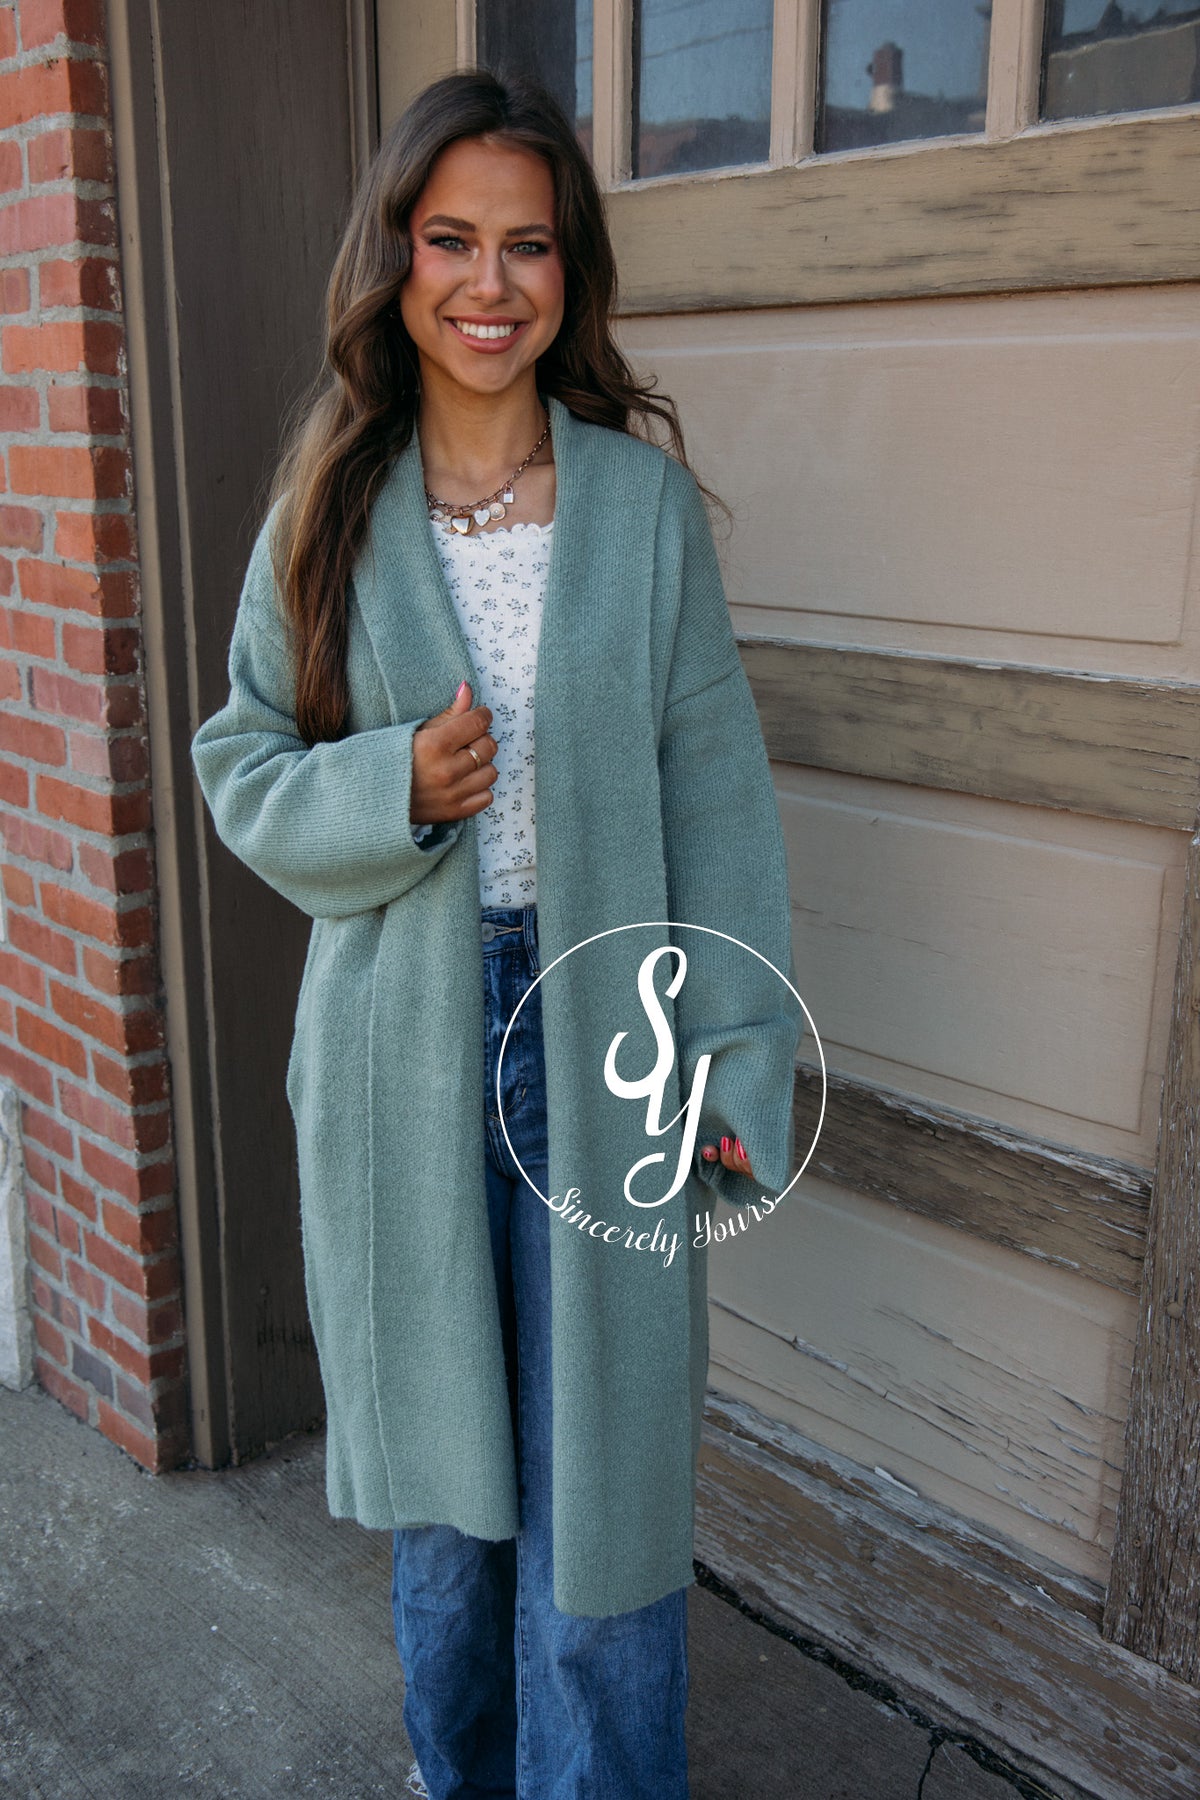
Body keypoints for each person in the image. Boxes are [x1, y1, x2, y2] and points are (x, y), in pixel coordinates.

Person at [191, 67, 802, 1800]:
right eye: (449, 238)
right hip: (403, 1049)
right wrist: (389, 785)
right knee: (450, 1515)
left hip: (612, 1039)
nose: (488, 282)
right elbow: (241, 762)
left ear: (570, 270)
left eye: (527, 244)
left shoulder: (641, 514)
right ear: (394, 261)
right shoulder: (329, 510)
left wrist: (737, 1064)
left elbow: (718, 799)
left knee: (603, 1493)